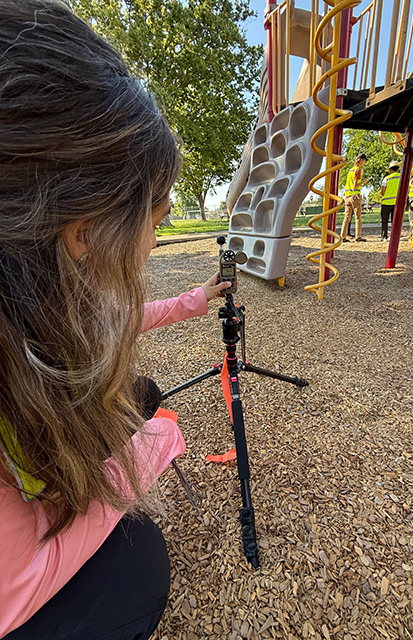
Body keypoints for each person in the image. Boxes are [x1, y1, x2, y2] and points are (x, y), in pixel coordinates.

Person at [0, 2, 230, 639]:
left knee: (137, 394)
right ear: (82, 231)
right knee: (137, 567)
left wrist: (192, 301)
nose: (153, 243)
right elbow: (11, 590)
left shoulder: (42, 294)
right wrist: (141, 459)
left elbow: (121, 321)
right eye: (152, 224)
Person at [341, 153, 368, 243]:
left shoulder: (350, 171)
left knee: (347, 217)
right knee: (358, 217)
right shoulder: (358, 170)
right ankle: (358, 236)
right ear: (361, 160)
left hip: (347, 196)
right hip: (355, 196)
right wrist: (364, 182)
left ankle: (343, 237)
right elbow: (355, 186)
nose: (364, 163)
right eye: (364, 161)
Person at [379, 160, 401, 241]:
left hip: (386, 203)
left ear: (391, 169)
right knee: (395, 221)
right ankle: (395, 236)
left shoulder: (386, 178)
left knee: (385, 220)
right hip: (397, 203)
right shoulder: (401, 177)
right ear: (398, 169)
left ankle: (384, 236)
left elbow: (383, 191)